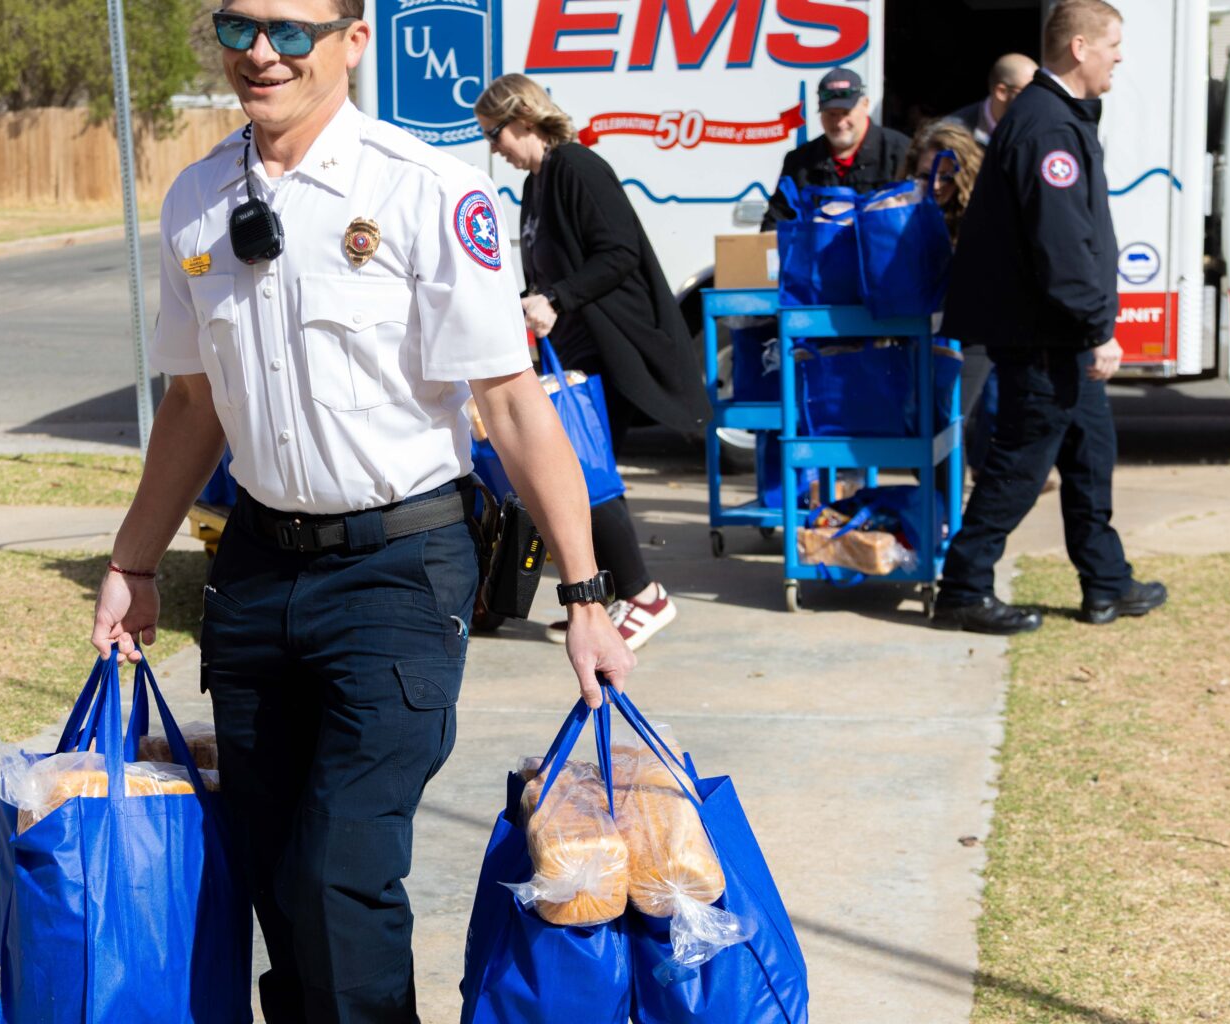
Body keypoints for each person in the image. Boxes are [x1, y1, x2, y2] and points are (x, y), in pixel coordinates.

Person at [88, 0, 637, 1017]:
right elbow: (192, 403)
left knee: (339, 869)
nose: (262, 52)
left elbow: (513, 405)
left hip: (399, 566)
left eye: (292, 30)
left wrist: (588, 593)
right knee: (272, 868)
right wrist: (131, 562)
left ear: (352, 40)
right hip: (256, 570)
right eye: (240, 25)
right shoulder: (196, 200)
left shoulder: (428, 191)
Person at [933, 0, 1166, 635]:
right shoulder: (1047, 127)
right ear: (1081, 48)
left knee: (1092, 454)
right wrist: (1099, 329)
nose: (1121, 56)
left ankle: (1107, 583)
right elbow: (1060, 246)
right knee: (1018, 467)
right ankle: (962, 588)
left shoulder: (1059, 116)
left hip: (1057, 335)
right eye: (1114, 44)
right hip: (1045, 335)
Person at [474, 73, 710, 651]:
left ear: (525, 118)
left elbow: (620, 251)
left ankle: (644, 595)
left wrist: (558, 300)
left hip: (616, 346)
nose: (494, 147)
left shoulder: (577, 168)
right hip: (577, 351)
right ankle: (607, 599)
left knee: (585, 475)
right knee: (579, 475)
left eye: (495, 132)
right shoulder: (537, 184)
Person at [900, 118, 1000, 476]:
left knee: (946, 428)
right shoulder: (906, 209)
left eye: (946, 176)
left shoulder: (981, 211)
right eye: (927, 175)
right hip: (921, 333)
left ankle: (948, 522)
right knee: (919, 431)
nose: (936, 185)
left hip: (970, 336)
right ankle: (939, 517)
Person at [760, 67, 912, 229]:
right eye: (831, 114)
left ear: (865, 105)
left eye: (846, 113)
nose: (839, 123)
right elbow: (776, 222)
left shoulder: (899, 151)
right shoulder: (799, 161)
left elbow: (915, 216)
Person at [943, 53, 1039, 147]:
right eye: (1029, 91)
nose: (1037, 99)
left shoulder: (1040, 126)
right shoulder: (953, 133)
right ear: (1001, 92)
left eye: (1039, 90)